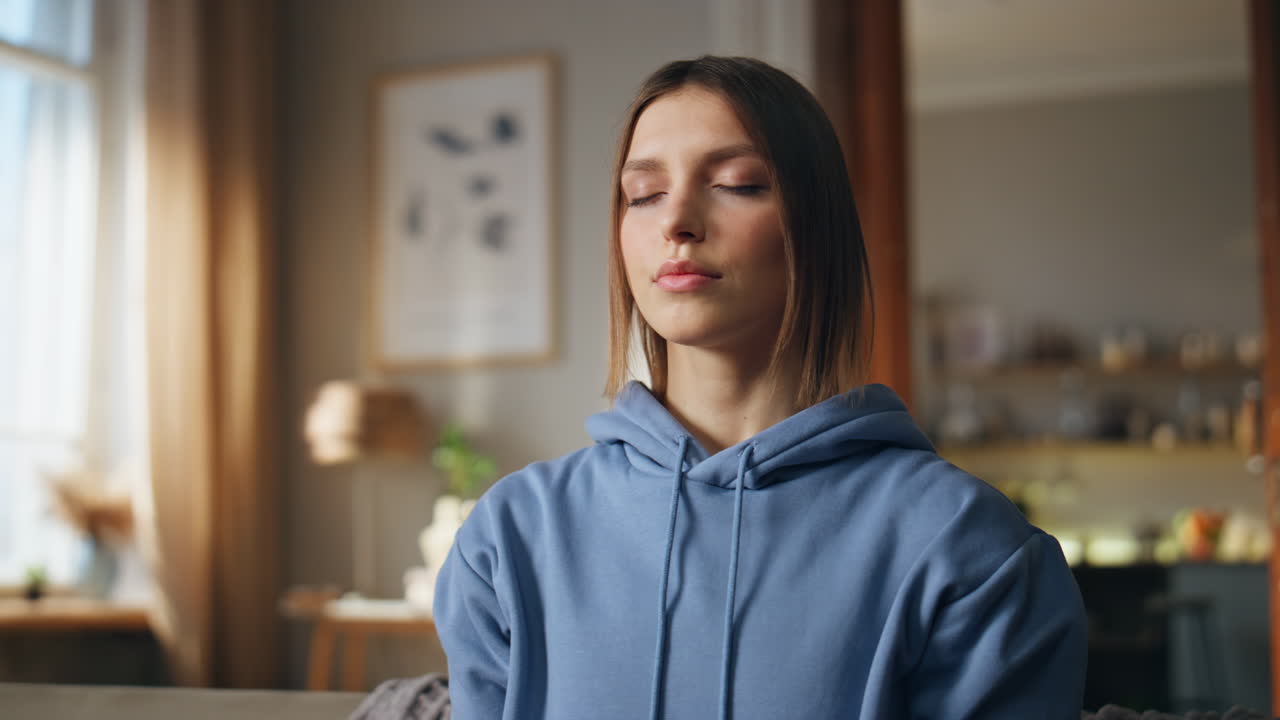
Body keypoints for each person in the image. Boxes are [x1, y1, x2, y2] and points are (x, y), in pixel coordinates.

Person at [433, 55, 1087, 720]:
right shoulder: (509, 538)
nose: (677, 221)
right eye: (644, 194)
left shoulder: (974, 553)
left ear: (817, 226)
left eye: (737, 184)